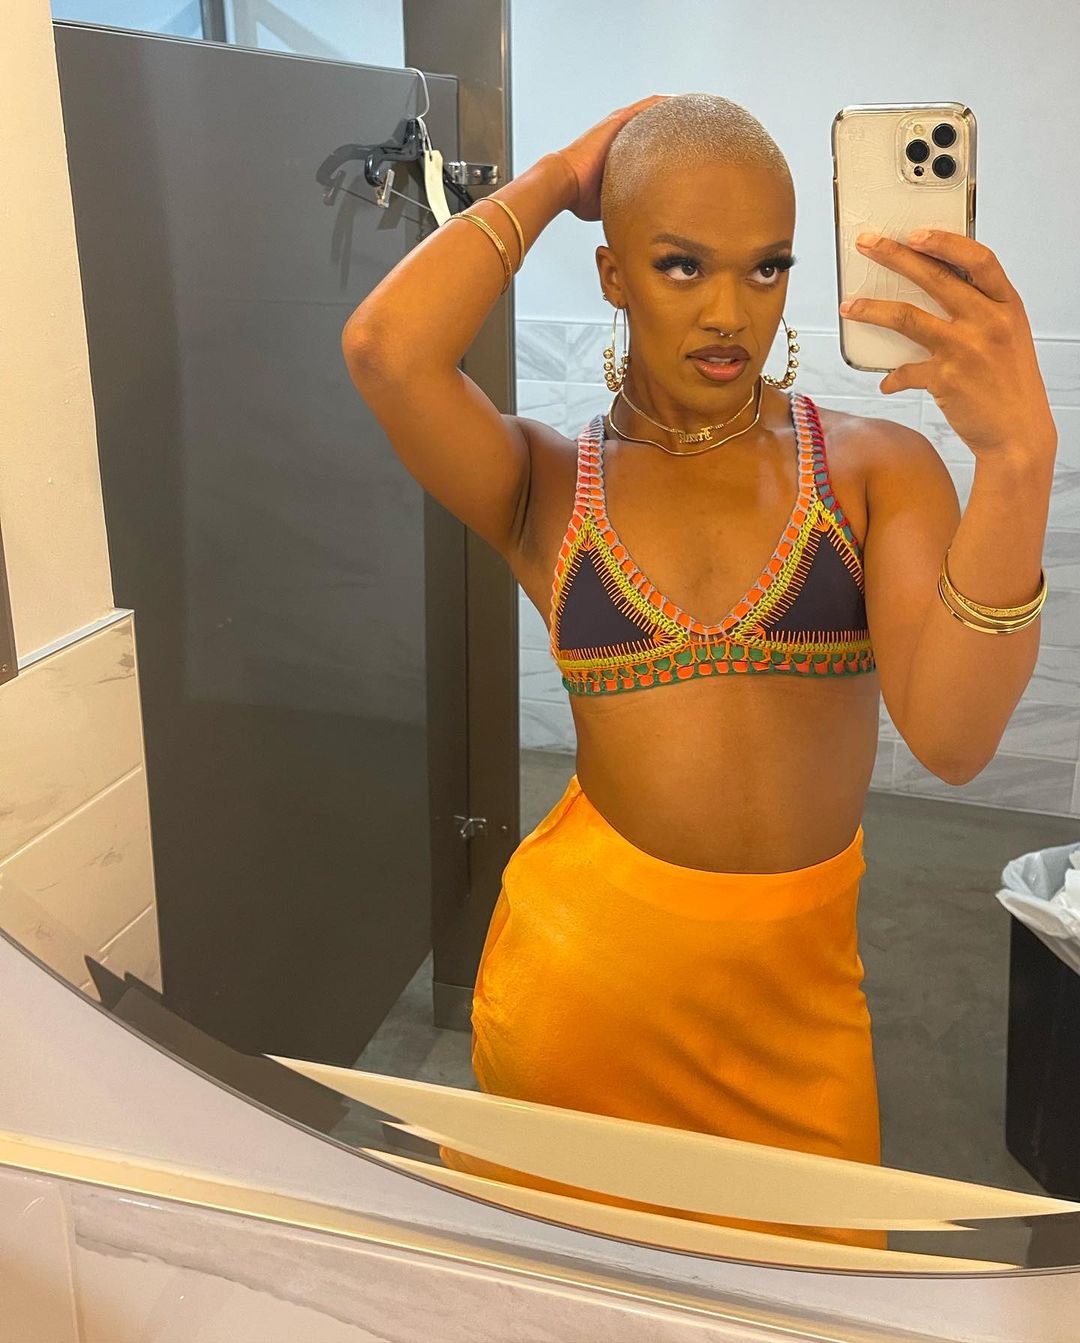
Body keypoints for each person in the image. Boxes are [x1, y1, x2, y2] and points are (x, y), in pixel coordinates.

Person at [341, 94, 1055, 1250]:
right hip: (580, 1013)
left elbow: (955, 737)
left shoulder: (873, 467)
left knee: (810, 1299)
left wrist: (1017, 459)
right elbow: (386, 349)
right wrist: (563, 175)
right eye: (682, 265)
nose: (731, 313)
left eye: (766, 267)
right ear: (614, 274)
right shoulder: (549, 482)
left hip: (799, 1029)